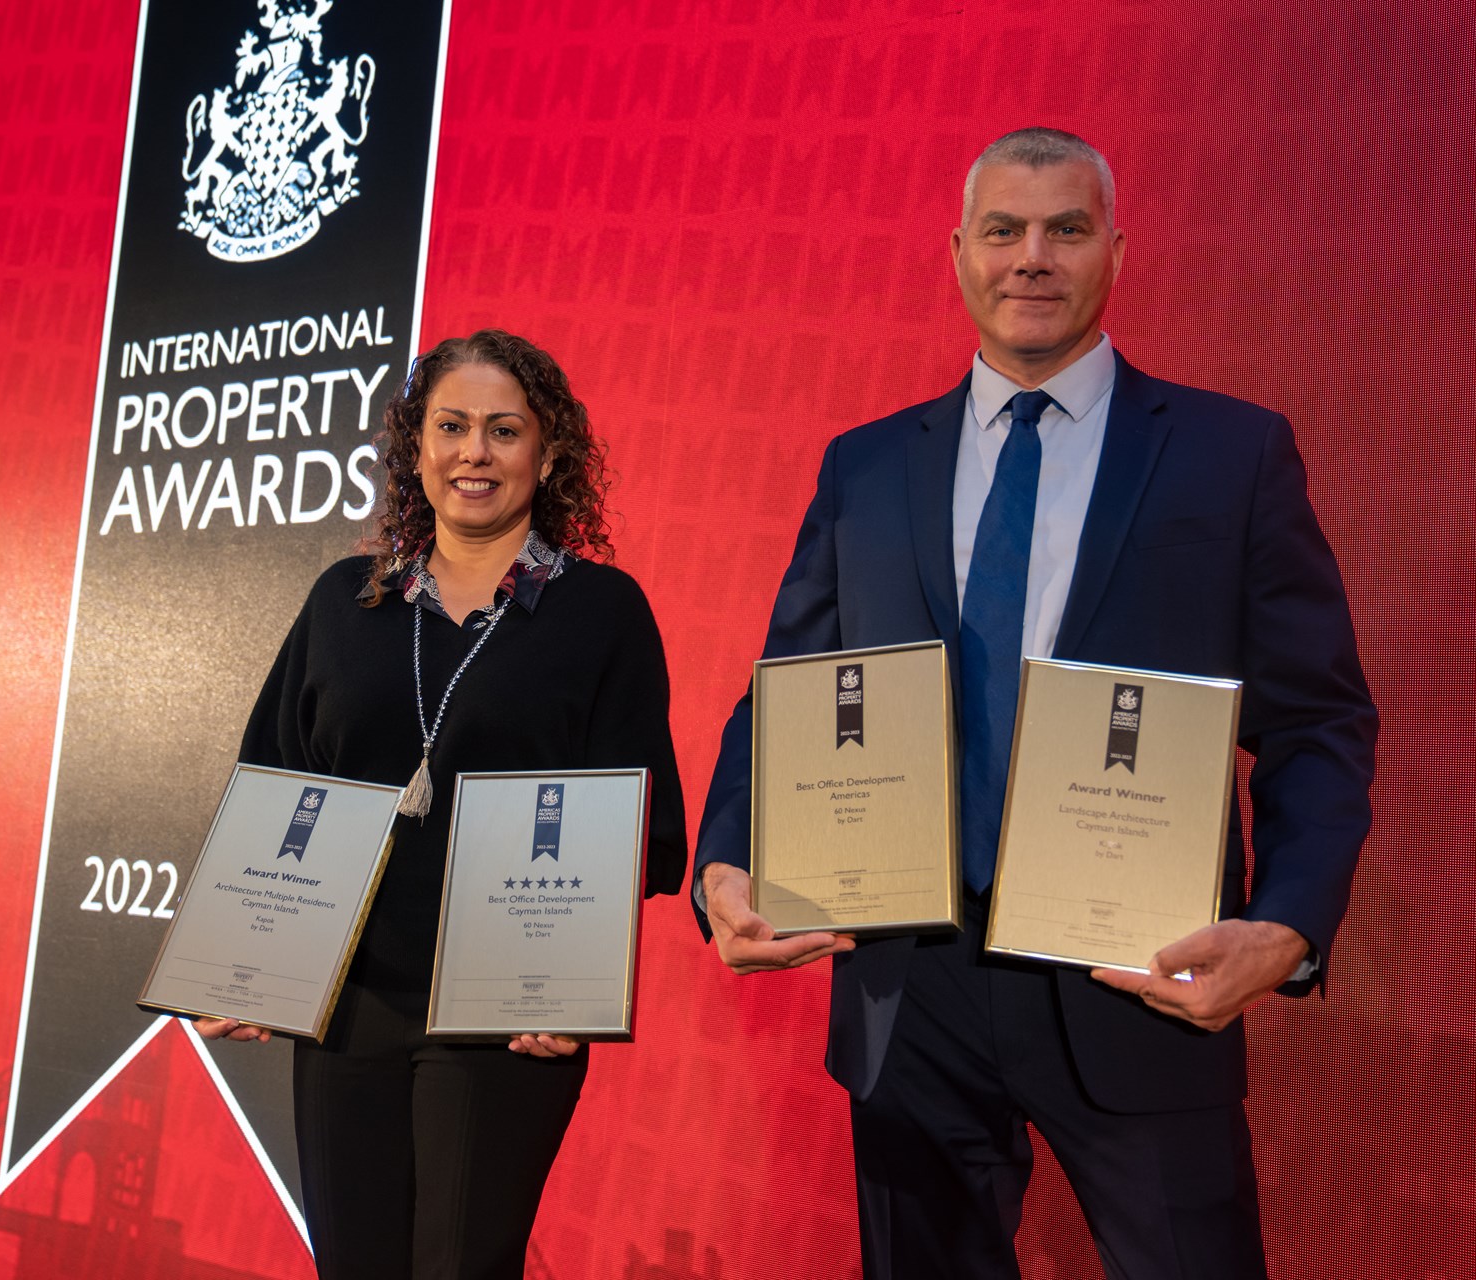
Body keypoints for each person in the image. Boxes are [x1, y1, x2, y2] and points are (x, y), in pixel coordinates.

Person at [691, 129, 1377, 1278]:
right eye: (1004, 230)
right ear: (960, 251)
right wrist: (727, 857)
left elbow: (1316, 719)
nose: (1033, 257)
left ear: (1116, 247)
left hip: (1142, 972)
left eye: (1066, 228)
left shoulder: (1232, 453)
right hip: (911, 982)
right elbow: (791, 693)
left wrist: (1292, 924)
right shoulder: (863, 466)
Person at [199, 329, 688, 1279]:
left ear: (548, 457)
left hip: (505, 1010)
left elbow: (634, 817)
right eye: (451, 427)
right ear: (413, 449)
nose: (476, 452)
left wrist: (570, 978)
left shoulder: (603, 612)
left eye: (504, 430)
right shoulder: (347, 600)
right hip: (347, 1003)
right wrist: (245, 961)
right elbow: (277, 784)